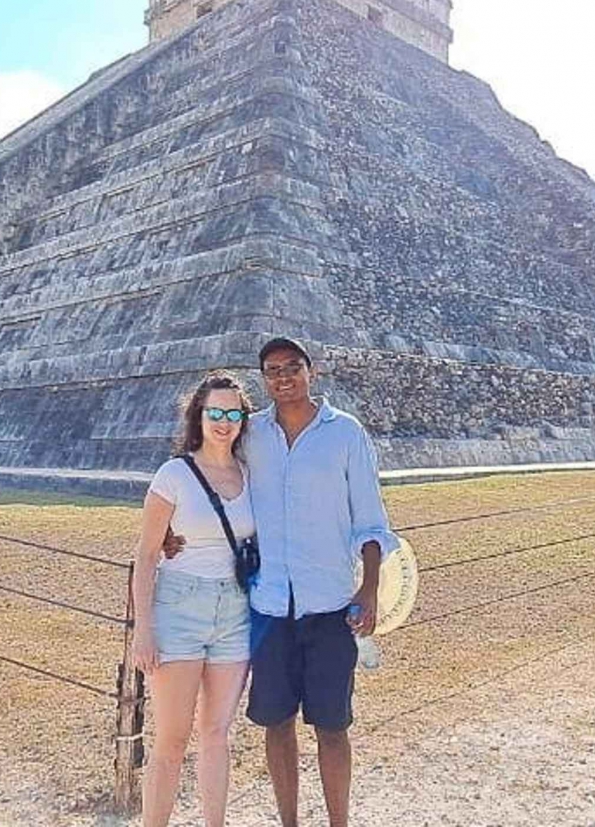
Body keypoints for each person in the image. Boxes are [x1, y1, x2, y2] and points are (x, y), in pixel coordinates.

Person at [244, 337, 397, 827]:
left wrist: (368, 587)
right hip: (270, 606)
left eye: (293, 367)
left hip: (330, 605)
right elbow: (216, 489)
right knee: (275, 722)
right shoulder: (251, 436)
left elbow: (371, 522)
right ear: (263, 379)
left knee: (332, 726)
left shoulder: (345, 434)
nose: (283, 377)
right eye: (273, 370)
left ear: (312, 372)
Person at [131, 372, 258, 827]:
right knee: (171, 740)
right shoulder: (174, 475)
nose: (223, 423)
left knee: (218, 734)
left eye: (233, 414)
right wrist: (143, 629)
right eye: (215, 413)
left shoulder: (249, 474)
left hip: (234, 613)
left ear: (243, 420)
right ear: (198, 416)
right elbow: (146, 554)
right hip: (179, 608)